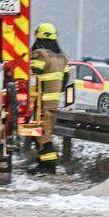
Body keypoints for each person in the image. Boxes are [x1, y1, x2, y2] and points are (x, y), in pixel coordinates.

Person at [27, 23, 70, 174]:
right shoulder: (61, 57)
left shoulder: (40, 54)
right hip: (53, 102)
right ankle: (43, 162)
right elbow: (65, 80)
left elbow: (33, 75)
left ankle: (49, 166)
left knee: (41, 135)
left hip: (41, 102)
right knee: (44, 132)